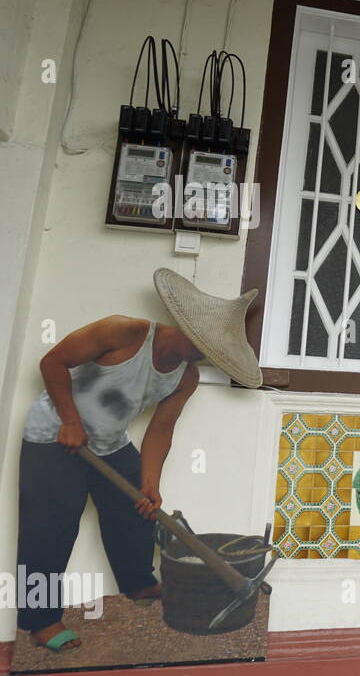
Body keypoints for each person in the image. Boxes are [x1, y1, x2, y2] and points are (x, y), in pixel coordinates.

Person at [16, 269, 262, 653]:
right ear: (185, 325)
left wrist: (150, 483)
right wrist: (69, 420)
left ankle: (138, 583)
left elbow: (161, 430)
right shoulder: (121, 332)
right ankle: (40, 619)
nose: (201, 353)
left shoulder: (186, 377)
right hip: (54, 435)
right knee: (48, 530)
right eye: (200, 343)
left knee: (137, 510)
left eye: (209, 351)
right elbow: (52, 362)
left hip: (109, 443)